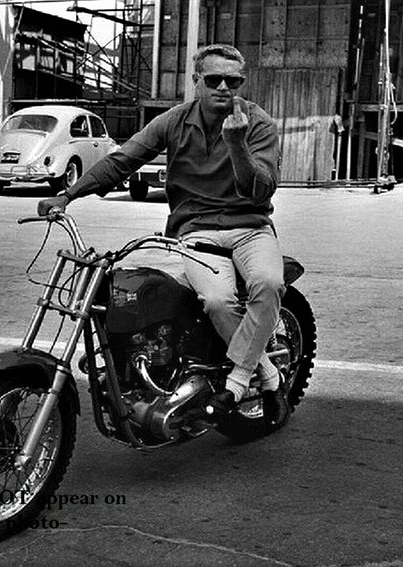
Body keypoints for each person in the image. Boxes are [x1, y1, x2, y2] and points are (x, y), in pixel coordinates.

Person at [37, 44, 289, 427]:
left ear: (241, 82)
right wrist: (68, 194)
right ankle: (268, 373)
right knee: (217, 301)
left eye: (232, 81)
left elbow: (260, 191)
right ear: (196, 81)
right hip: (198, 229)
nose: (223, 87)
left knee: (269, 283)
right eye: (214, 79)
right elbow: (124, 160)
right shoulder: (175, 121)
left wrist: (237, 146)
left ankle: (241, 383)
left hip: (250, 227)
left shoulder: (258, 124)